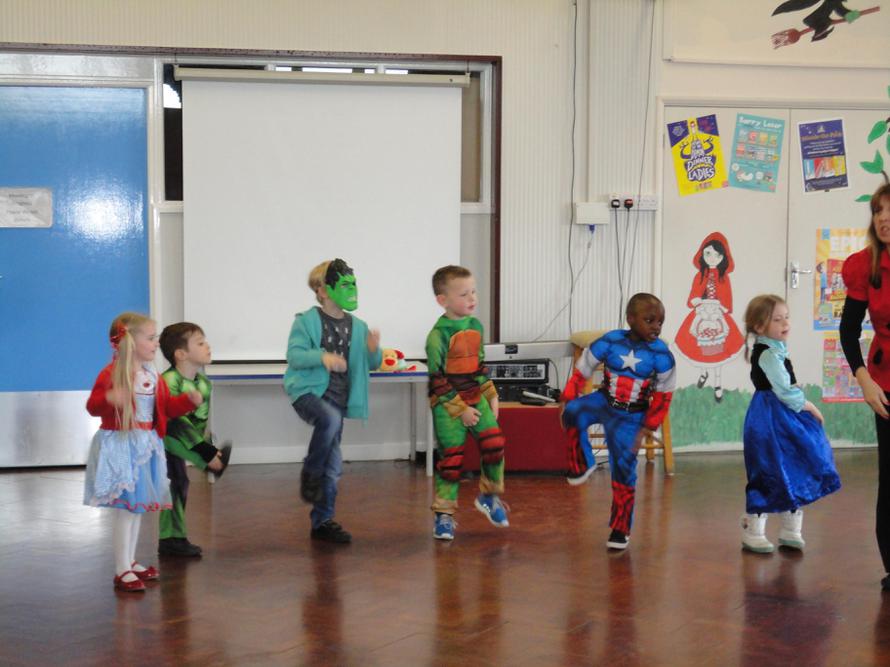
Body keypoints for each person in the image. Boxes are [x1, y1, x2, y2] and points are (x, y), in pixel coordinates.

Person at [83, 312, 202, 592]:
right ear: (130, 342)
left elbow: (166, 408)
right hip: (122, 447)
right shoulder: (111, 374)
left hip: (146, 446)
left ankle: (130, 561)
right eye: (150, 338)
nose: (156, 343)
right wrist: (109, 398)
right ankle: (121, 569)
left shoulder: (152, 375)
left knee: (136, 509)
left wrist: (187, 401)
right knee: (126, 510)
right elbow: (92, 406)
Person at [561, 293, 676, 550]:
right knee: (573, 411)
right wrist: (570, 393)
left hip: (632, 416)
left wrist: (647, 427)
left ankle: (620, 529)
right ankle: (582, 463)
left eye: (660, 322)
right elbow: (584, 366)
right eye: (649, 320)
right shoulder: (611, 340)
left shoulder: (662, 355)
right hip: (604, 401)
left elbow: (664, 397)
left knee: (624, 471)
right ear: (630, 319)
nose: (656, 327)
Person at [284, 259, 381, 544]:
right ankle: (310, 471)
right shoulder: (306, 322)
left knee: (334, 466)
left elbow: (372, 363)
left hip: (338, 400)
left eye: (353, 284)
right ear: (323, 290)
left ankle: (322, 521)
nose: (351, 289)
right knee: (328, 419)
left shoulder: (358, 327)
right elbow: (295, 356)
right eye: (344, 284)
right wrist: (322, 357)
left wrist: (373, 350)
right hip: (309, 393)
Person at [740, 294, 840, 553]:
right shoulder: (769, 355)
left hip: (784, 416)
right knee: (767, 469)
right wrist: (810, 406)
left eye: (786, 317)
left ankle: (790, 529)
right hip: (770, 418)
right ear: (759, 326)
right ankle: (753, 531)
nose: (785, 323)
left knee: (794, 465)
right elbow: (784, 391)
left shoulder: (776, 349)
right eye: (777, 319)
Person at [427, 265, 507, 541]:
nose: (472, 298)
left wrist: (491, 394)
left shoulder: (475, 326)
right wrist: (461, 410)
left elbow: (479, 366)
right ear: (443, 300)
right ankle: (443, 515)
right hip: (447, 404)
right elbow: (437, 380)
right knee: (451, 459)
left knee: (494, 443)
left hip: (475, 396)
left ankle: (489, 496)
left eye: (473, 291)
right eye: (464, 294)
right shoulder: (437, 336)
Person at [841, 182, 890, 589]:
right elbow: (849, 330)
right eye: (877, 211)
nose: (883, 218)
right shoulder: (864, 266)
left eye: (889, 210)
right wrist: (864, 381)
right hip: (885, 382)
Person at [157, 322, 232, 558]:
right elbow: (173, 420)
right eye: (200, 343)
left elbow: (199, 422)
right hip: (163, 439)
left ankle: (172, 539)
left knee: (178, 483)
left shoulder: (204, 384)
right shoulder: (169, 381)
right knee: (176, 481)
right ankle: (209, 461)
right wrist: (204, 450)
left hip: (184, 443)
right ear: (181, 354)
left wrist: (203, 443)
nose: (207, 346)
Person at [673, 232, 744, 403]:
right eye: (708, 253)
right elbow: (693, 296)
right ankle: (703, 372)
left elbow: (727, 301)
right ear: (702, 254)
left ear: (724, 257)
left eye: (717, 255)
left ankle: (718, 384)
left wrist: (720, 307)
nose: (712, 258)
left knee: (719, 349)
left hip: (717, 315)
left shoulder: (724, 278)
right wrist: (697, 301)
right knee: (699, 346)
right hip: (701, 313)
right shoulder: (700, 275)